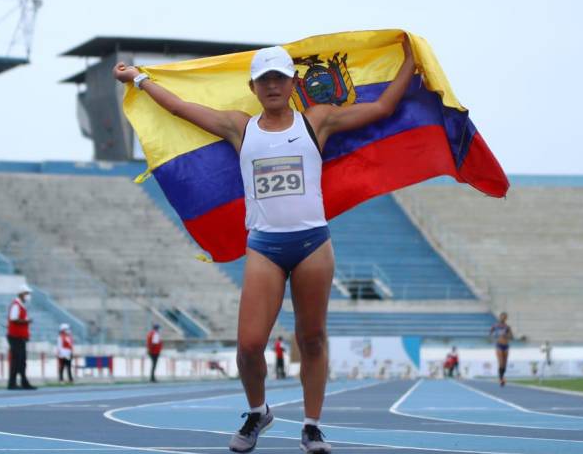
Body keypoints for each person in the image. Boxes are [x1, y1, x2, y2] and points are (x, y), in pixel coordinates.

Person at [114, 35, 415, 454]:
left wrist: (410, 62)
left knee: (312, 339)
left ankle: (311, 427)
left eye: (279, 78)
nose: (272, 86)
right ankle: (258, 412)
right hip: (265, 248)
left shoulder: (318, 120)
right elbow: (182, 108)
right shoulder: (241, 126)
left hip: (312, 244)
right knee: (250, 346)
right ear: (253, 88)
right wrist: (140, 79)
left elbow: (382, 108)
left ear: (292, 83)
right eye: (263, 80)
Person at [6, 285, 36, 390]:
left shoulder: (20, 305)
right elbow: (14, 319)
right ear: (21, 293)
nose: (28, 296)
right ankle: (13, 383)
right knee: (17, 360)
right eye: (27, 293)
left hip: (19, 337)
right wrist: (27, 321)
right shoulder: (16, 305)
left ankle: (21, 382)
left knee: (21, 361)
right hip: (15, 337)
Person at [489, 312, 514, 386]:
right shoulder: (495, 326)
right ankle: (500, 379)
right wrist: (492, 339)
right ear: (499, 317)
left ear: (506, 318)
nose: (502, 318)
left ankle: (502, 376)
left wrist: (507, 335)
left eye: (504, 317)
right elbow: (490, 333)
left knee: (505, 363)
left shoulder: (507, 327)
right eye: (501, 317)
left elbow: (512, 337)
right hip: (499, 345)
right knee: (501, 362)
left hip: (506, 346)